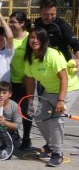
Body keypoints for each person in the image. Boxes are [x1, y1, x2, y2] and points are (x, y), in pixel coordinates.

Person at [24, 27, 79, 167]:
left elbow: (64, 79)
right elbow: (30, 80)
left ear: (44, 40)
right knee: (39, 116)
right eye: (32, 37)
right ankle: (50, 145)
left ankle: (57, 153)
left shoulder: (52, 55)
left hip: (69, 88)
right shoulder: (30, 57)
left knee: (55, 119)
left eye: (38, 38)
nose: (34, 40)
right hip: (50, 90)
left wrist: (60, 100)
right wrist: (30, 101)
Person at [7, 11, 33, 150]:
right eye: (9, 21)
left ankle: (27, 137)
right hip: (11, 81)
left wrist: (28, 76)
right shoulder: (8, 38)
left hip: (26, 82)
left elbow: (34, 58)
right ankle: (14, 134)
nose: (10, 24)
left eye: (13, 22)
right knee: (12, 110)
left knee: (26, 111)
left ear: (22, 23)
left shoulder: (30, 38)